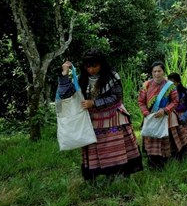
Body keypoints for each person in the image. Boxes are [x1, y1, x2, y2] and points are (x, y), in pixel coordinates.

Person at [57, 50, 143, 180]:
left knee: (115, 147)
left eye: (95, 66)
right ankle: (99, 175)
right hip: (92, 120)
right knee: (94, 147)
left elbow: (116, 97)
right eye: (88, 66)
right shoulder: (82, 78)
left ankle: (120, 175)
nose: (91, 69)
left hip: (113, 117)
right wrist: (64, 73)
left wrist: (94, 103)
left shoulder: (112, 76)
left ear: (101, 64)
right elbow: (65, 94)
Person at [137, 61, 182, 168]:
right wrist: (146, 113)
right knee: (151, 139)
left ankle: (164, 161)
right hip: (150, 117)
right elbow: (141, 102)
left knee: (164, 139)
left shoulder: (170, 86)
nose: (157, 74)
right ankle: (152, 162)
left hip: (165, 117)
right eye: (154, 71)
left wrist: (165, 110)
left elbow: (175, 101)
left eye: (159, 71)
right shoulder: (146, 85)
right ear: (151, 73)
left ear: (163, 72)